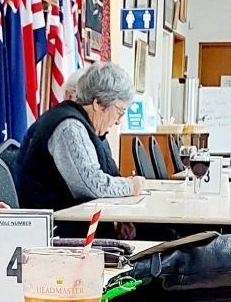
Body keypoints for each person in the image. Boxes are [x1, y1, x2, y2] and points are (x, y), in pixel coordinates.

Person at [14, 60, 145, 208]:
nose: (118, 122)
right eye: (119, 111)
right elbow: (90, 185)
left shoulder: (87, 127)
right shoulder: (69, 127)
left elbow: (107, 175)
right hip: (54, 225)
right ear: (97, 103)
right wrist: (130, 186)